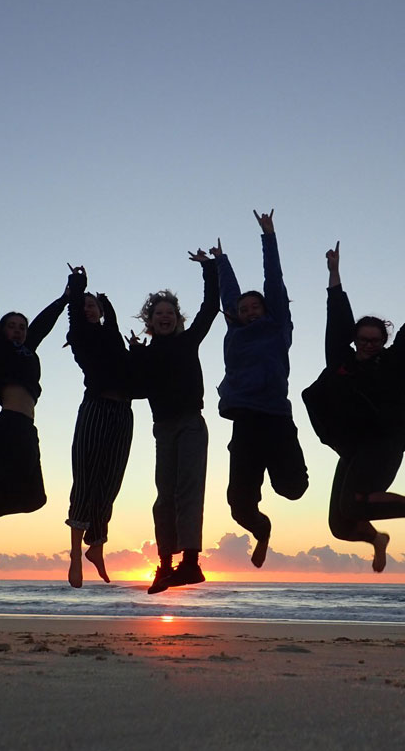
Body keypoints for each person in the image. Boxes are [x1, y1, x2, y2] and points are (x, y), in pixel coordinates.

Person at [302, 242, 405, 573]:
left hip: (385, 443)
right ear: (355, 339)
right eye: (364, 339)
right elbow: (336, 317)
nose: (369, 344)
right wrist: (334, 275)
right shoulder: (340, 362)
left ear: (383, 340)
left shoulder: (395, 364)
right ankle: (377, 540)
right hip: (354, 449)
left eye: (376, 340)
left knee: (354, 503)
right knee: (340, 526)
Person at [214, 209, 308, 568]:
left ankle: (282, 474)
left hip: (277, 420)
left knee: (293, 490)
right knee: (239, 506)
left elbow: (274, 280)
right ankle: (263, 529)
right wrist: (222, 262)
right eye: (244, 308)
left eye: (256, 307)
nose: (250, 311)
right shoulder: (235, 330)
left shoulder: (278, 326)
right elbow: (228, 295)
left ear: (266, 310)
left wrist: (268, 236)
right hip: (245, 423)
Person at [129, 248, 219, 593]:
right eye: (158, 314)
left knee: (188, 492)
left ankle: (191, 563)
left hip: (190, 424)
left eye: (169, 313)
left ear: (177, 318)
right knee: (163, 497)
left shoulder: (188, 341)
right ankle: (166, 565)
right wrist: (136, 358)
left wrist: (209, 269)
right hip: (162, 429)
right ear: (150, 321)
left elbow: (210, 308)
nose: (164, 317)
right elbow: (137, 389)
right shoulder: (145, 354)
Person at [0, 235, 68, 539]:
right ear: (2, 330)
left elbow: (42, 323)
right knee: (16, 490)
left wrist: (65, 298)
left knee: (36, 499)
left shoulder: (28, 349)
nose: (18, 330)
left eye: (21, 327)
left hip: (27, 428)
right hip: (7, 426)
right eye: (11, 325)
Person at [63, 265, 133, 588]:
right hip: (95, 407)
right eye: (85, 306)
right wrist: (79, 286)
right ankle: (76, 553)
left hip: (123, 412)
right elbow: (75, 311)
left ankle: (98, 545)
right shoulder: (80, 334)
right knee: (87, 477)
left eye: (94, 305)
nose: (89, 308)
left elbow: (114, 326)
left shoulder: (112, 334)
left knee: (111, 481)